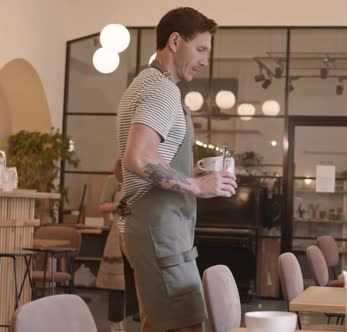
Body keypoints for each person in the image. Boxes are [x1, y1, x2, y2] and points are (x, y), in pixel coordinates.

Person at [117, 7, 237, 332]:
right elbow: (138, 159)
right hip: (160, 231)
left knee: (159, 323)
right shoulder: (162, 90)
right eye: (200, 49)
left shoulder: (145, 83)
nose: (204, 60)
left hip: (151, 227)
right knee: (185, 325)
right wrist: (197, 187)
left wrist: (191, 177)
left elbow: (139, 160)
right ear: (174, 41)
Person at [96, 160, 138, 332]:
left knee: (139, 283)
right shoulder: (113, 181)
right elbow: (101, 207)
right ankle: (115, 324)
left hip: (138, 234)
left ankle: (138, 321)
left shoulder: (141, 180)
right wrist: (118, 205)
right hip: (118, 233)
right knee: (117, 284)